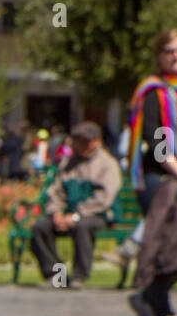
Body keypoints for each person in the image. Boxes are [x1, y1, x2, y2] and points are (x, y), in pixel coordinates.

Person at [126, 29, 177, 316]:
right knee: (169, 245)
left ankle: (153, 303)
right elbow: (154, 140)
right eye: (169, 51)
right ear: (159, 55)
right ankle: (161, 309)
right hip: (160, 178)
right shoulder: (153, 92)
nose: (176, 56)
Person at [31, 121, 121, 288]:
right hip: (67, 213)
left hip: (97, 215)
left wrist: (76, 215)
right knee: (40, 227)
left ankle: (79, 276)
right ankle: (56, 275)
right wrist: (56, 212)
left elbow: (104, 198)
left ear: (97, 141)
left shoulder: (107, 164)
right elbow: (56, 192)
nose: (80, 144)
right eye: (78, 140)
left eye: (85, 140)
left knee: (82, 226)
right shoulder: (68, 163)